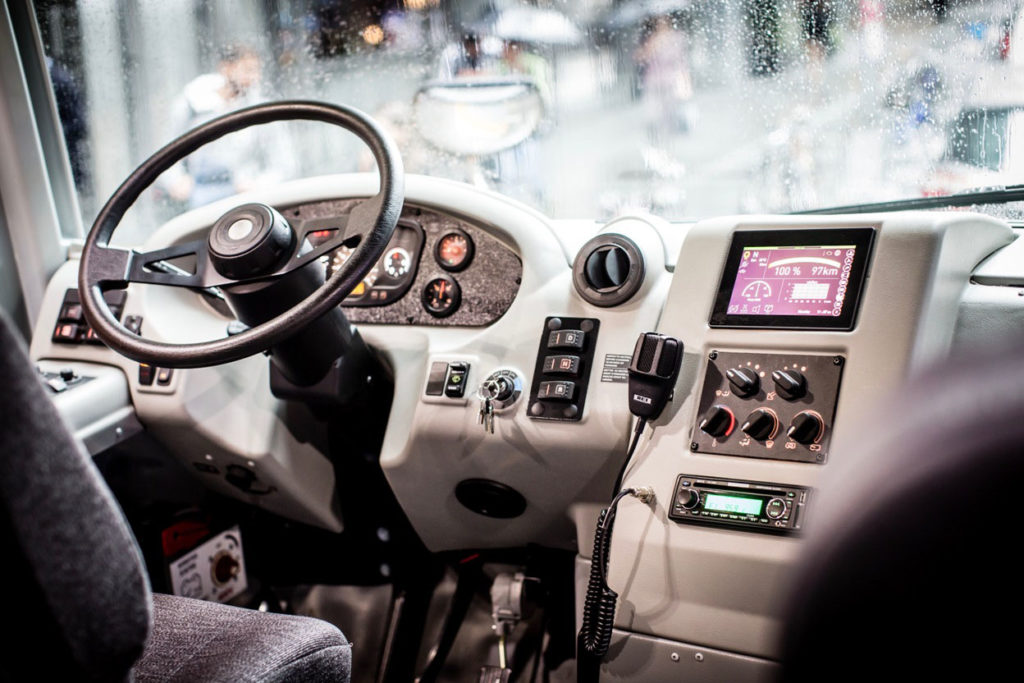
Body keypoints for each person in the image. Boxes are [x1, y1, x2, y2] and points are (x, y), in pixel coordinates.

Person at [161, 45, 293, 209]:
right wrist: (176, 181)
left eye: (256, 71)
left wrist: (258, 185)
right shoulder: (193, 104)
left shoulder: (260, 110)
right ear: (226, 68)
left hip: (244, 196)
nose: (254, 78)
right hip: (197, 198)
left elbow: (284, 162)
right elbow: (167, 149)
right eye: (248, 70)